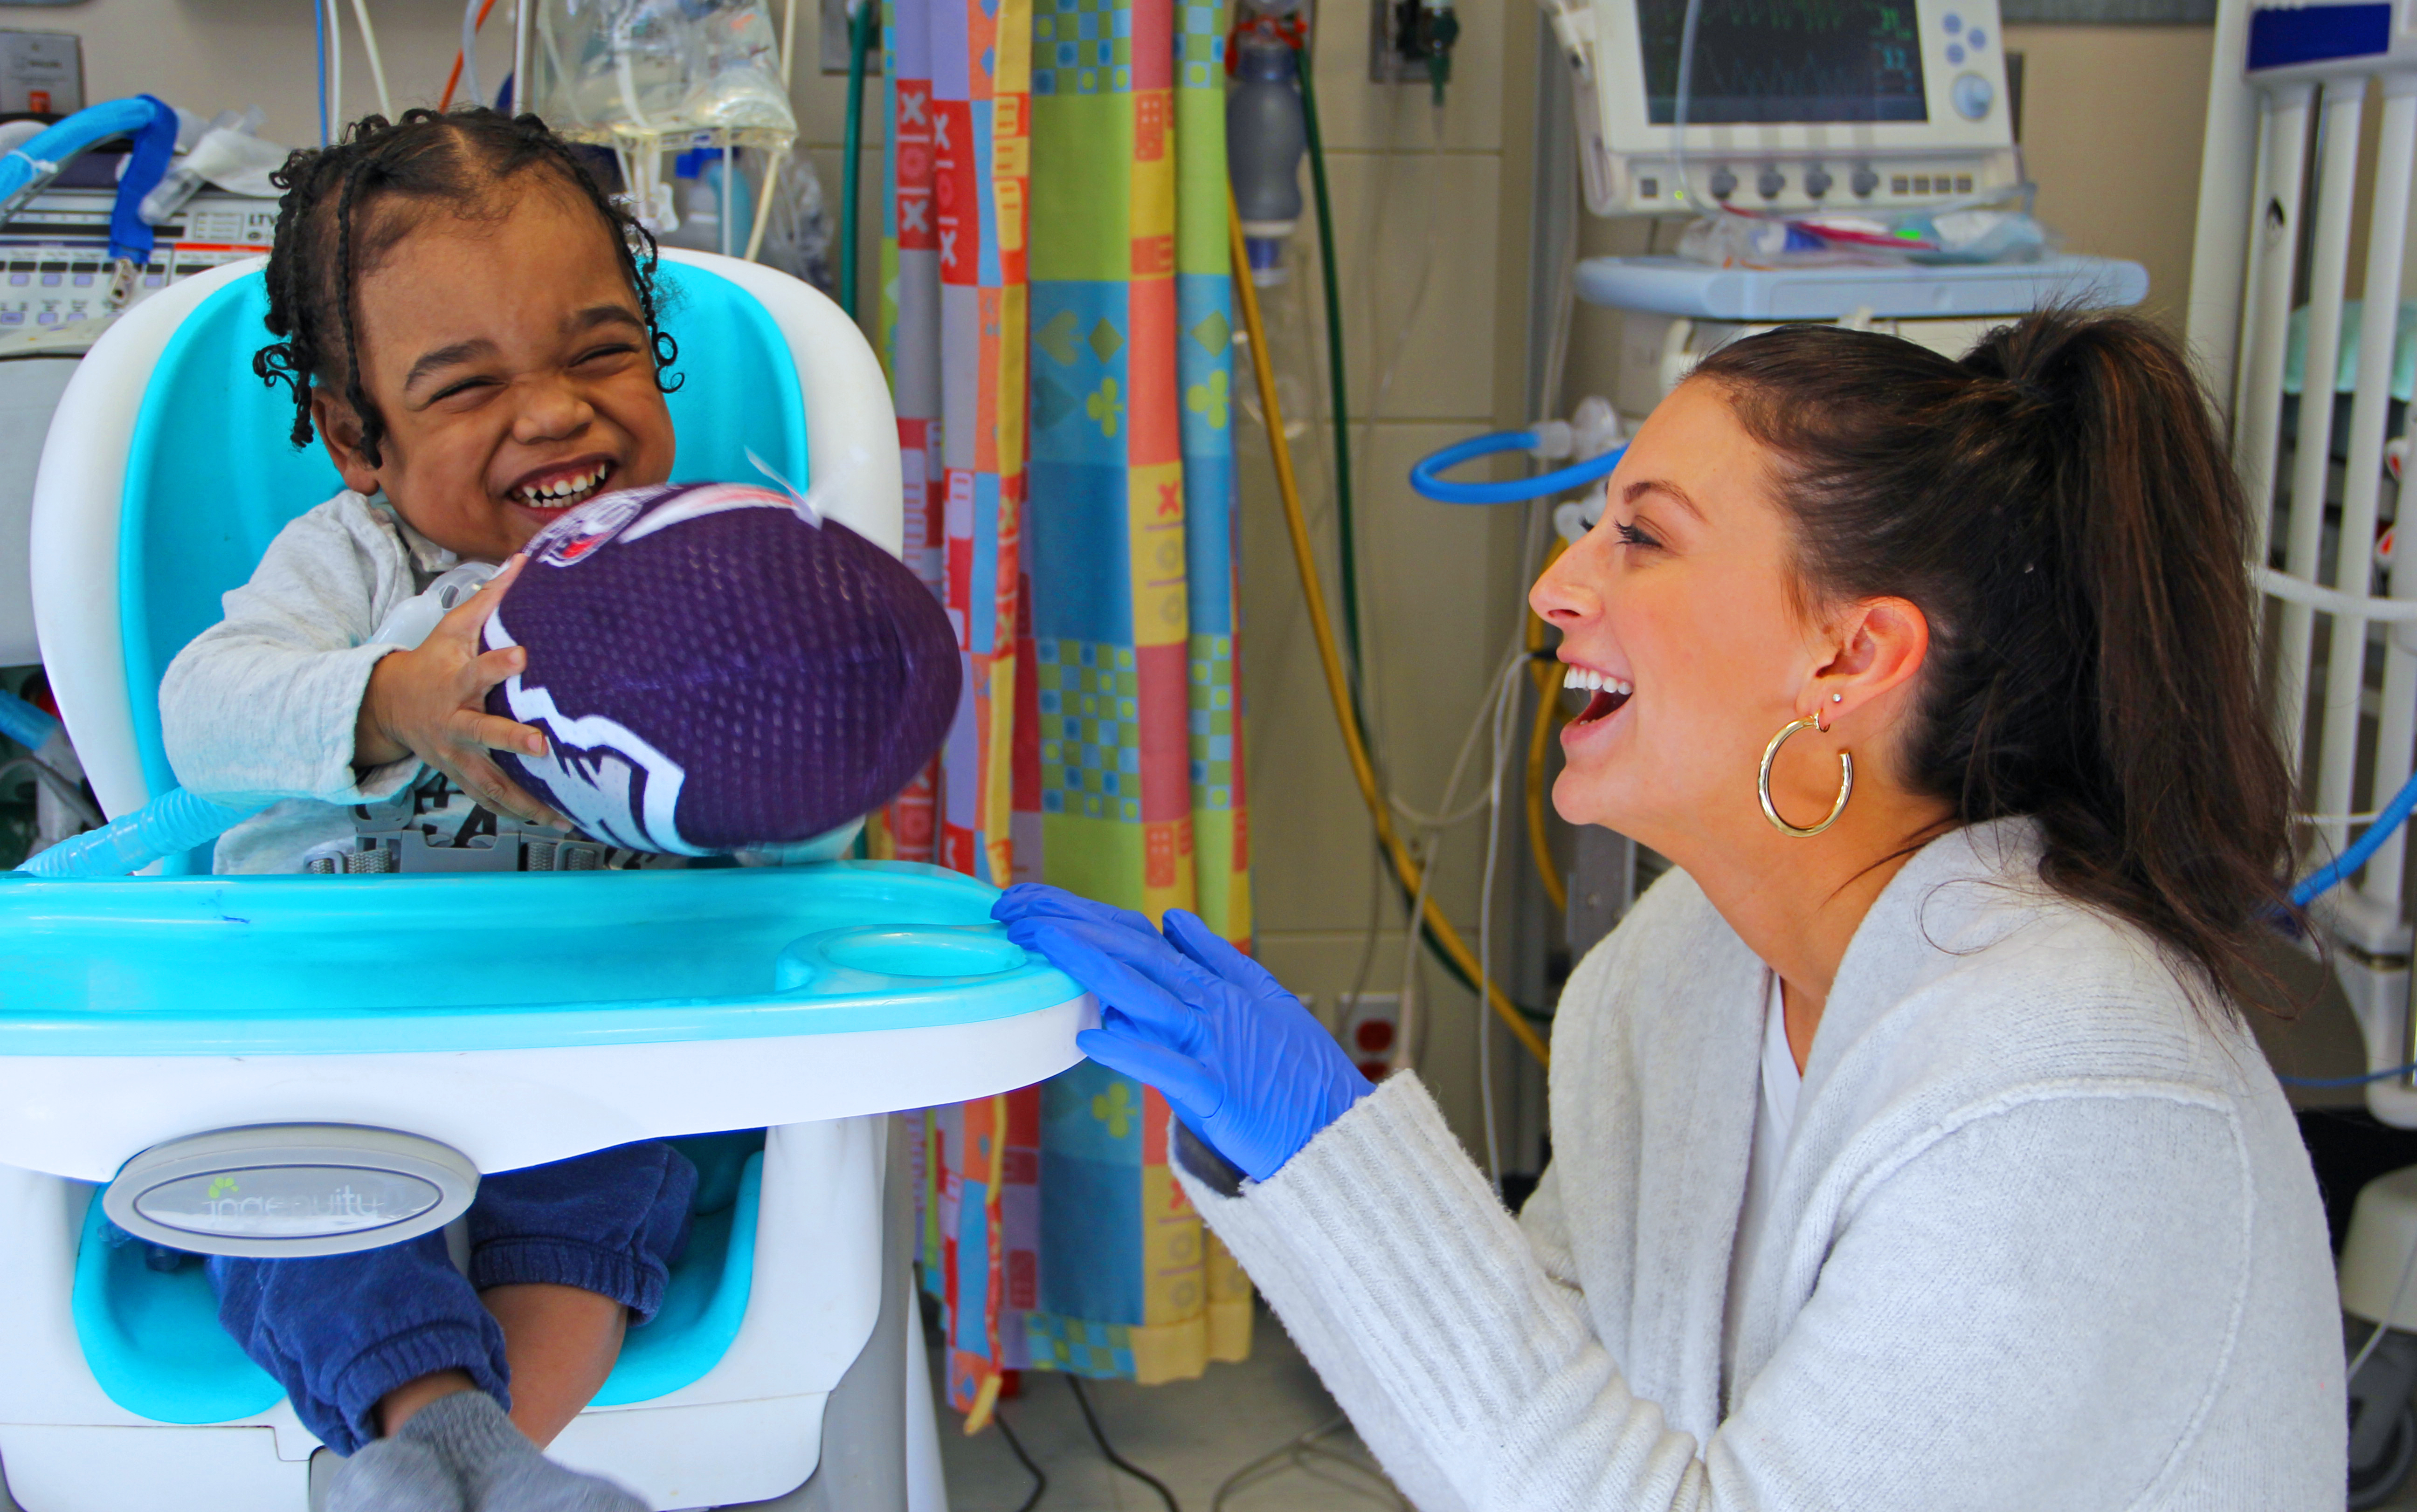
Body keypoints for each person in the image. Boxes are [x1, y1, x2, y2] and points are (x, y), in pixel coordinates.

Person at [998, 309, 2347, 1508]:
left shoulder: (2069, 1089)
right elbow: (1557, 1408)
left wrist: (1337, 1153)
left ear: (1850, 653)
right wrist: (1303, 1171)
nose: (1558, 585)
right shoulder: (1674, 968)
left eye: (1640, 536)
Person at [156, 108, 690, 1512]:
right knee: (287, 1207)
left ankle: (469, 1474)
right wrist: (392, 697)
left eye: (601, 351)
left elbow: (789, 813)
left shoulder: (700, 566)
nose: (555, 410)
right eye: (465, 387)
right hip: (328, 1032)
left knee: (608, 1190)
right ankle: (444, 1431)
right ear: (357, 435)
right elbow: (201, 712)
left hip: (582, 1024)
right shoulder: (346, 564)